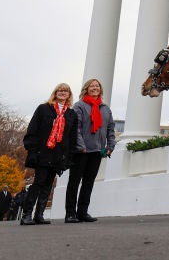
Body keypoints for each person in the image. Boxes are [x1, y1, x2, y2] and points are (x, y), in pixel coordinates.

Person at [21, 83, 78, 225]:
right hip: (43, 152)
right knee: (38, 182)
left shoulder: (71, 114)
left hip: (58, 154)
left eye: (66, 91)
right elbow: (33, 129)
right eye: (60, 90)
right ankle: (27, 214)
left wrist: (69, 157)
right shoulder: (44, 109)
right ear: (55, 92)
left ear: (69, 95)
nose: (63, 92)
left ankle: (39, 215)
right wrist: (32, 150)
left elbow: (72, 137)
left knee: (48, 184)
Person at [64, 78, 115, 224]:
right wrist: (81, 146)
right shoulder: (79, 106)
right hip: (81, 151)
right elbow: (76, 128)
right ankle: (70, 213)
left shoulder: (105, 108)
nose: (95, 88)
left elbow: (111, 129)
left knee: (88, 182)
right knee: (74, 182)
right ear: (86, 89)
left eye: (97, 86)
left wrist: (110, 146)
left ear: (100, 89)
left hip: (97, 151)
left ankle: (82, 212)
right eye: (92, 86)